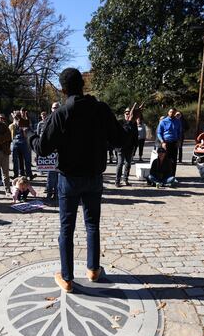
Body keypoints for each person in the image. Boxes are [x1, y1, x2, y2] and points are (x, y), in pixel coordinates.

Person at [28, 68, 123, 293]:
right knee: (92, 225)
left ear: (63, 89)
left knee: (66, 228)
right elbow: (119, 138)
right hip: (94, 177)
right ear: (83, 84)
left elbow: (42, 149)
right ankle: (93, 270)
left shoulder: (61, 113)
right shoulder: (101, 109)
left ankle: (68, 278)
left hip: (69, 179)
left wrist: (28, 134)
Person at [115, 106, 138, 187]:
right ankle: (117, 181)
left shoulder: (134, 123)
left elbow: (136, 135)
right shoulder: (120, 122)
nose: (128, 115)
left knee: (128, 164)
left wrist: (135, 147)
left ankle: (125, 179)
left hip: (130, 147)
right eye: (126, 113)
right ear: (124, 114)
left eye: (129, 113)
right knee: (120, 164)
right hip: (121, 147)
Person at [156, 108, 182, 177]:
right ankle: (164, 176)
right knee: (165, 160)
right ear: (168, 112)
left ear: (175, 113)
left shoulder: (178, 121)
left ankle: (172, 176)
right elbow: (159, 133)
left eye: (173, 112)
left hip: (174, 143)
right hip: (166, 143)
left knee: (174, 160)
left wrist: (179, 141)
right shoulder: (163, 121)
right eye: (170, 112)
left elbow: (179, 132)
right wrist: (162, 142)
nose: (172, 113)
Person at [10, 111, 34, 179]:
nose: (18, 116)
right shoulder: (12, 125)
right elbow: (11, 134)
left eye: (19, 115)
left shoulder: (25, 122)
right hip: (15, 142)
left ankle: (29, 174)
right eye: (17, 115)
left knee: (27, 159)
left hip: (24, 142)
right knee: (14, 160)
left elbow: (29, 130)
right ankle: (16, 174)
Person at [44, 102, 60, 200]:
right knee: (50, 175)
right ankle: (49, 193)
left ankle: (57, 194)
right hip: (50, 152)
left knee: (59, 175)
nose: (55, 109)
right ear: (51, 109)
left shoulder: (64, 119)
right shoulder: (46, 121)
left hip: (60, 152)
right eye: (54, 108)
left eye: (57, 107)